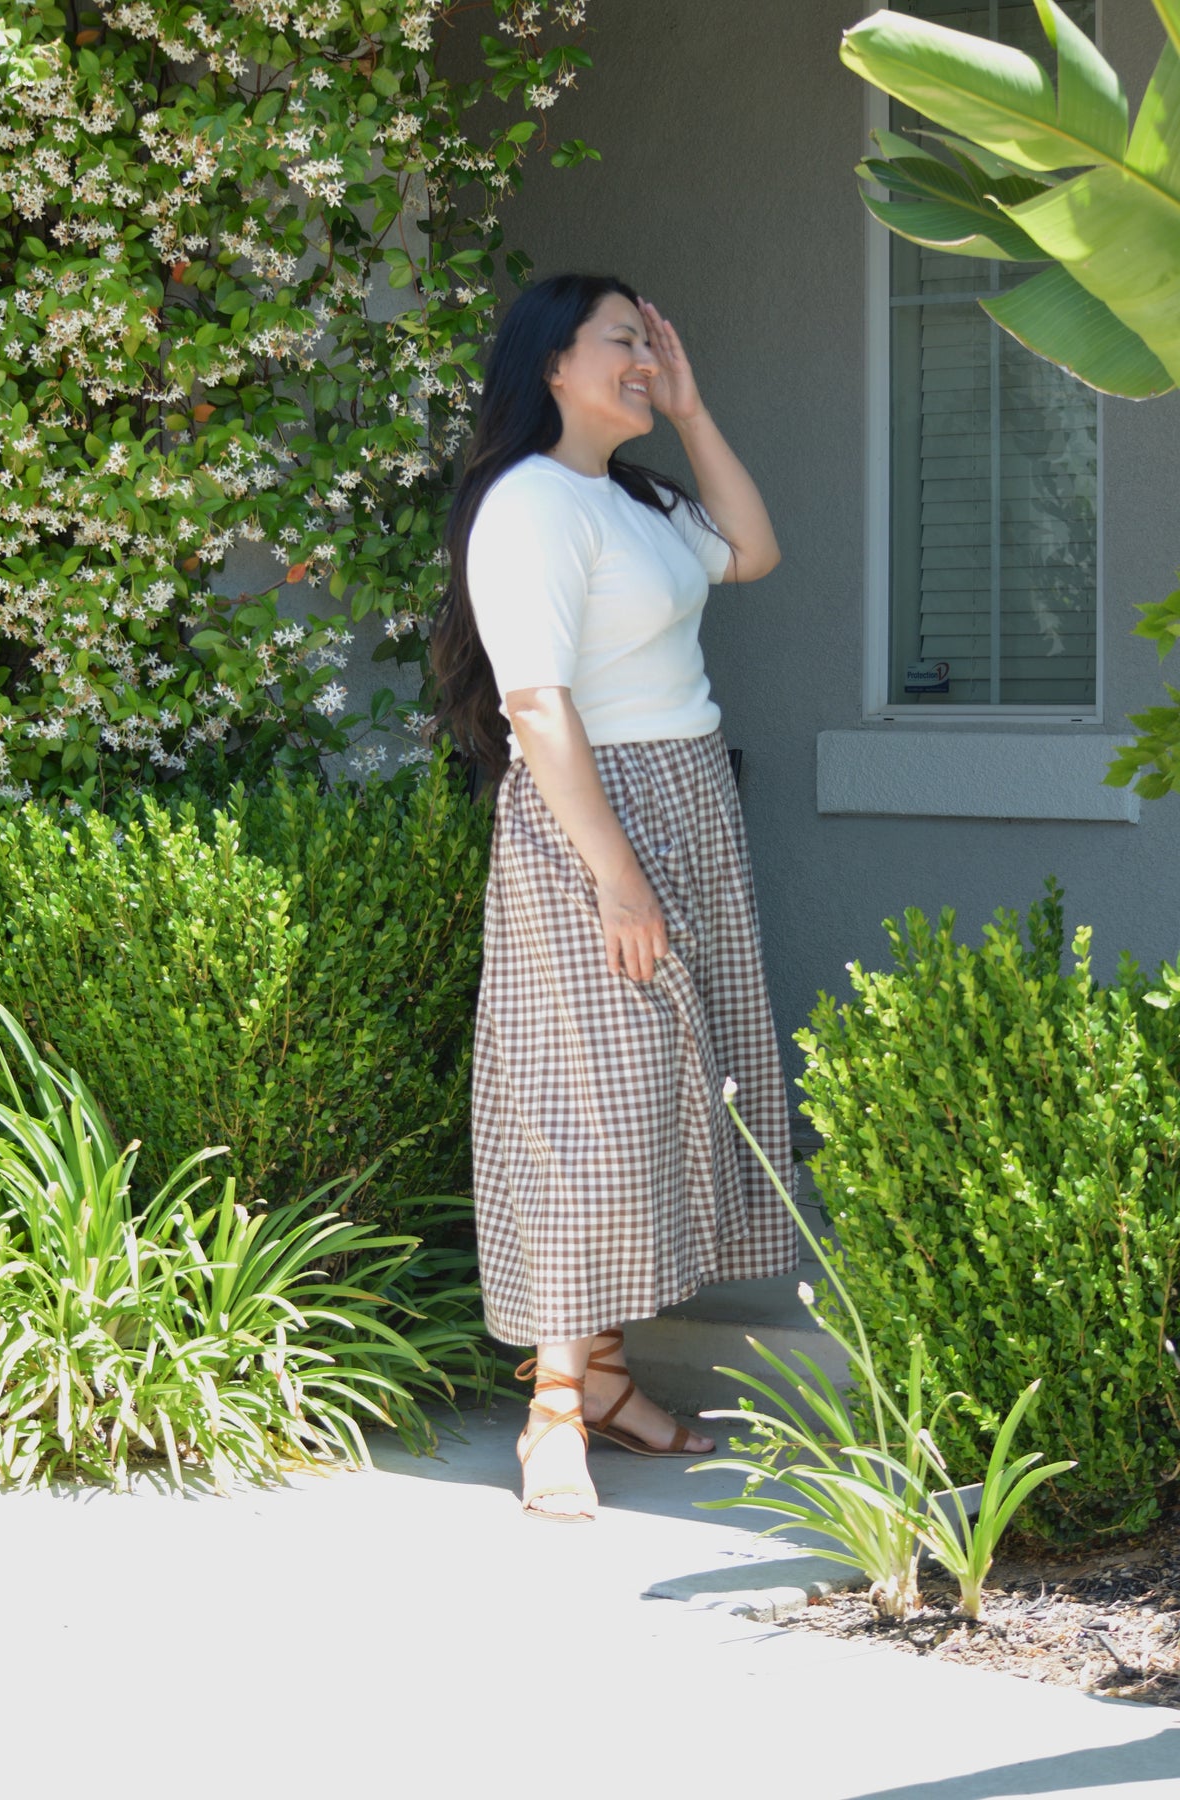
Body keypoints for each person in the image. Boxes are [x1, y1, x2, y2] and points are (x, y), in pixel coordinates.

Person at [431, 273, 797, 1523]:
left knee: (658, 1097)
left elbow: (753, 552)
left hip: (687, 797)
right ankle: (553, 1410)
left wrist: (690, 412)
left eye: (651, 341)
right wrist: (618, 876)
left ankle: (607, 1381)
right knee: (585, 1108)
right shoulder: (529, 503)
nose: (644, 357)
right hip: (593, 822)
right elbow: (537, 704)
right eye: (622, 342)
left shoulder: (635, 496)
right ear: (552, 363)